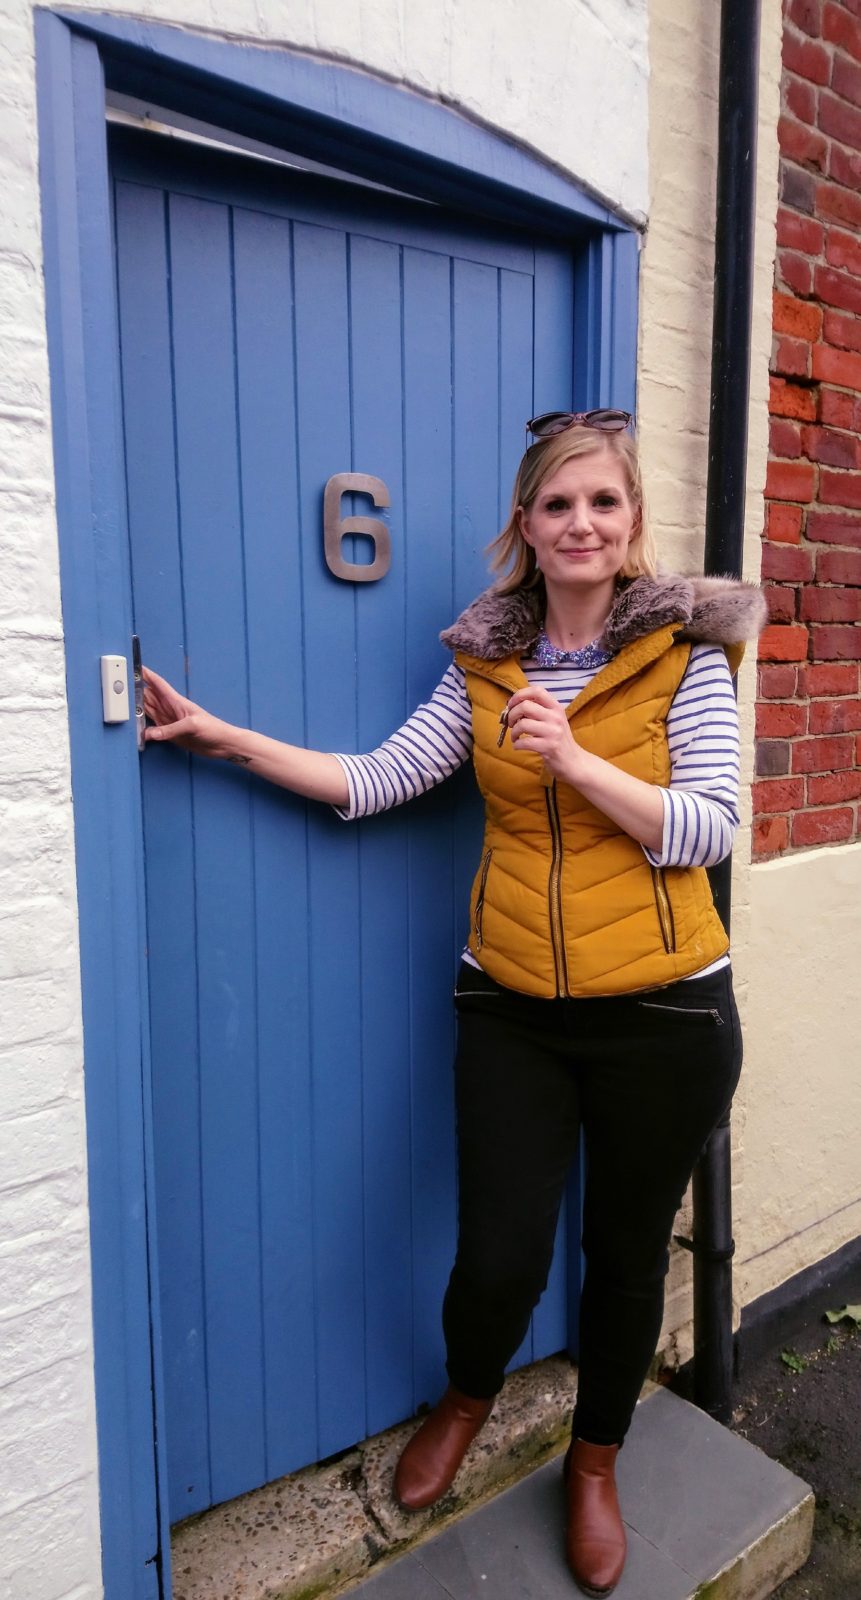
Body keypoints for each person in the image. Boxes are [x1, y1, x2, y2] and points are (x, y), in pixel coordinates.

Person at [142, 409, 766, 1597]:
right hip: (513, 1003)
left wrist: (577, 760)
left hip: (669, 1017)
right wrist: (223, 738)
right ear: (525, 529)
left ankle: (593, 1463)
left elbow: (711, 828)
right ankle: (467, 1395)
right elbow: (380, 777)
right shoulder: (485, 666)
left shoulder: (688, 657)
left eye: (603, 503)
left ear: (631, 526)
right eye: (556, 504)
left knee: (626, 1257)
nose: (580, 523)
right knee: (498, 1251)